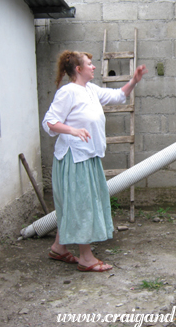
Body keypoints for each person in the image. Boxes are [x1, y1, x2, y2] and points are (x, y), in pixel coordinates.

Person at [42, 50, 147, 272]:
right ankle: (86, 258)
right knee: (82, 205)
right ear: (78, 69)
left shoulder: (90, 90)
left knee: (76, 203)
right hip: (74, 158)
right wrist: (72, 130)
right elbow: (50, 122)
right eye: (89, 64)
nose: (93, 67)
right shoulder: (68, 92)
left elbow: (118, 96)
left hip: (88, 156)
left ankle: (59, 247)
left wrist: (134, 81)